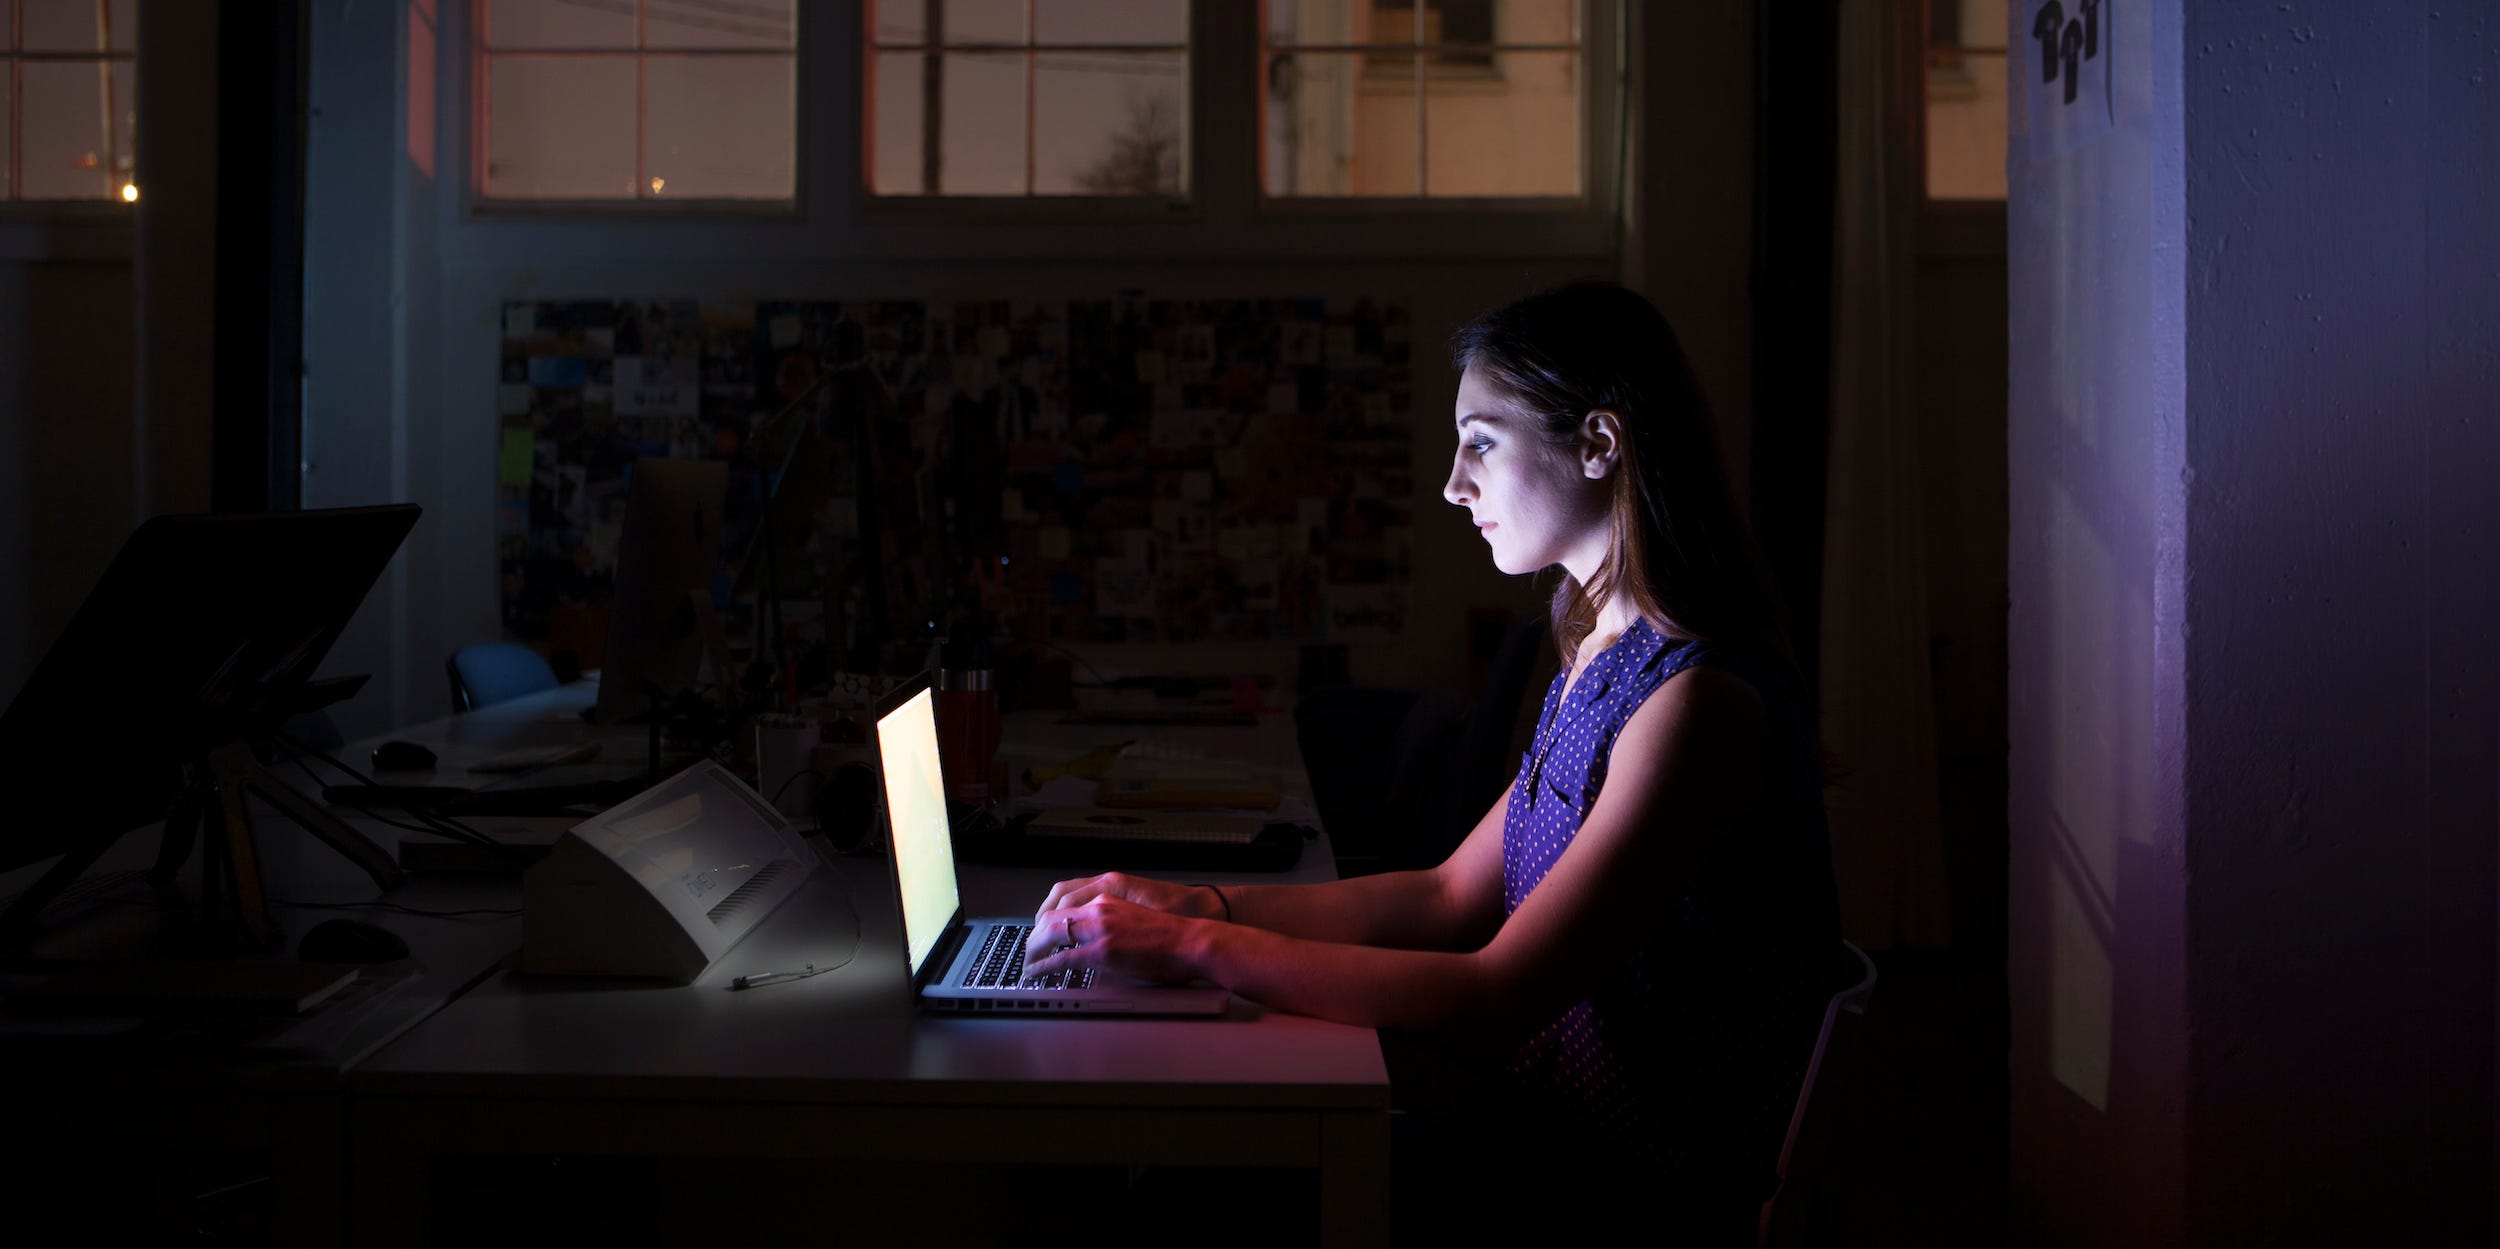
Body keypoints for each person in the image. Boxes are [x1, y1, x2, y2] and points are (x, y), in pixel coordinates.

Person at [1021, 280, 1844, 1241]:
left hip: (1609, 1193)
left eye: (1481, 441)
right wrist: (1202, 903)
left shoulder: (1694, 707)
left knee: (1181, 1201)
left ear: (1597, 445)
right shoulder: (1601, 660)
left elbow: (1494, 996)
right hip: (1535, 1140)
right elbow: (1449, 893)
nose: (1454, 483)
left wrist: (1196, 950)